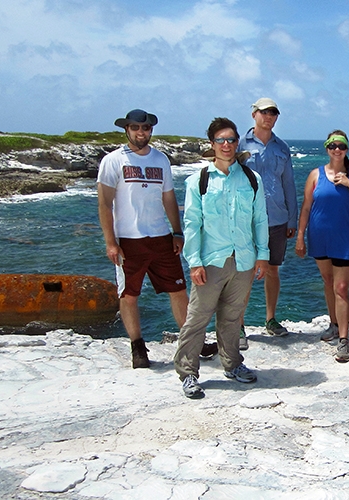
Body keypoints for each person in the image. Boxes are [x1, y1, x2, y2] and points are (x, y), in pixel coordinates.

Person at [174, 117, 269, 399]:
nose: (227, 145)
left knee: (231, 317)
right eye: (221, 140)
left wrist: (262, 256)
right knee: (197, 318)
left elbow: (260, 219)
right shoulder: (198, 181)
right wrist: (194, 262)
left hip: (243, 259)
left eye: (231, 140)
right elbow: (192, 224)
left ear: (237, 142)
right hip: (211, 261)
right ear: (212, 145)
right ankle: (188, 372)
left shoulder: (252, 179)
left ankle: (232, 364)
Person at [97, 109, 189, 369]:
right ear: (127, 130)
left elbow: (168, 197)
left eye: (146, 128)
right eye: (136, 127)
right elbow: (104, 203)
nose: (141, 132)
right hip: (128, 240)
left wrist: (177, 231)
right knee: (129, 294)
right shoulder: (113, 161)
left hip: (160, 236)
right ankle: (138, 347)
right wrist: (111, 242)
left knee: (179, 291)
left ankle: (191, 340)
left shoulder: (160, 159)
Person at [295, 130, 349, 363]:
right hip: (320, 237)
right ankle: (334, 324)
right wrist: (300, 236)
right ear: (326, 148)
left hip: (345, 238)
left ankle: (344, 340)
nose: (337, 149)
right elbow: (307, 207)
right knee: (328, 282)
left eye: (341, 145)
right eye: (332, 145)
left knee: (342, 287)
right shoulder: (315, 174)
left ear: (347, 149)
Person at [238, 98, 298, 339]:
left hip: (277, 219)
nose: (269, 117)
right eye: (264, 112)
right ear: (254, 114)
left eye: (273, 113)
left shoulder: (282, 148)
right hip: (247, 219)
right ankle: (238, 325)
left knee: (272, 270)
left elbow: (289, 184)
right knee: (244, 272)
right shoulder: (240, 144)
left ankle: (270, 319)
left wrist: (292, 220)